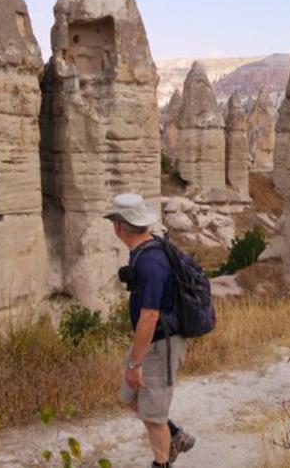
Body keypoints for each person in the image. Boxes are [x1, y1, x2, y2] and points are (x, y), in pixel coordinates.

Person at [104, 193, 195, 467]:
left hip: (161, 343)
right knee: (130, 397)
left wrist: (136, 362)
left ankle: (162, 461)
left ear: (119, 226)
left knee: (154, 417)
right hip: (151, 342)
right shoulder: (146, 251)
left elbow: (150, 315)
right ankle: (176, 436)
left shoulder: (150, 262)